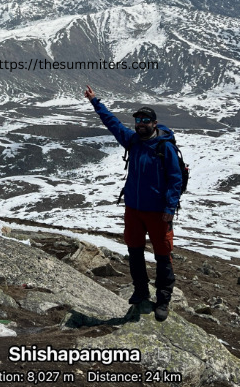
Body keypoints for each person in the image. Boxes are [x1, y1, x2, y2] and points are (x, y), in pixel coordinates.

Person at [84, 85, 182, 322]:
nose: (140, 123)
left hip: (158, 213)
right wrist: (95, 101)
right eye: (138, 119)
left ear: (154, 123)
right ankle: (140, 292)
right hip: (134, 210)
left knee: (162, 256)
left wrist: (169, 209)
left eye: (145, 120)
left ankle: (163, 299)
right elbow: (113, 124)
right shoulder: (133, 141)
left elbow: (175, 179)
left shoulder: (164, 147)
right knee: (135, 252)